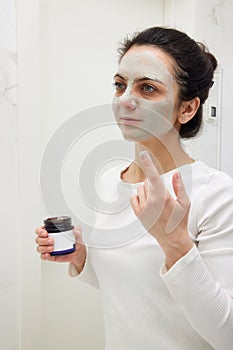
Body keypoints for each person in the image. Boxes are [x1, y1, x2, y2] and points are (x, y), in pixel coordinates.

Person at [36, 27, 233, 349]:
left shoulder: (217, 194)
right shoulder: (111, 180)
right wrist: (82, 258)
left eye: (147, 88)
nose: (126, 100)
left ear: (187, 108)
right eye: (120, 85)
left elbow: (228, 335)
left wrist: (176, 245)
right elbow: (134, 292)